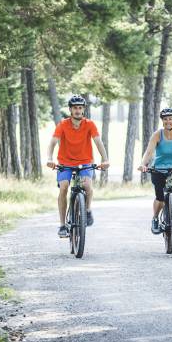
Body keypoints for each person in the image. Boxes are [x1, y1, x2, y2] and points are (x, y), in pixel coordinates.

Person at [46, 95, 110, 238]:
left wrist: (105, 159)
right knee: (63, 187)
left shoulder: (89, 124)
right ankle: (62, 225)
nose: (77, 110)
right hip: (65, 162)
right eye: (75, 108)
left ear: (83, 110)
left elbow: (98, 142)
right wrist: (49, 159)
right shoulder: (63, 124)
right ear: (70, 110)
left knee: (87, 186)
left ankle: (87, 210)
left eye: (80, 108)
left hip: (85, 161)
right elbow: (52, 142)